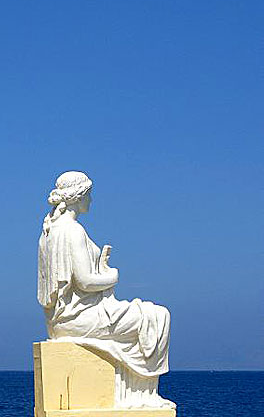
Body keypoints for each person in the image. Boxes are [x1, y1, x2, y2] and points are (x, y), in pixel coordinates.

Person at [38, 171, 174, 408]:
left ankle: (135, 391)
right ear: (78, 197)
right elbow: (85, 283)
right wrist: (112, 276)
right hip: (80, 319)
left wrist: (99, 265)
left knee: (149, 314)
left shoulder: (50, 231)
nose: (91, 201)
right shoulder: (73, 231)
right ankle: (142, 394)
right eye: (89, 195)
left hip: (59, 322)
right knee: (158, 316)